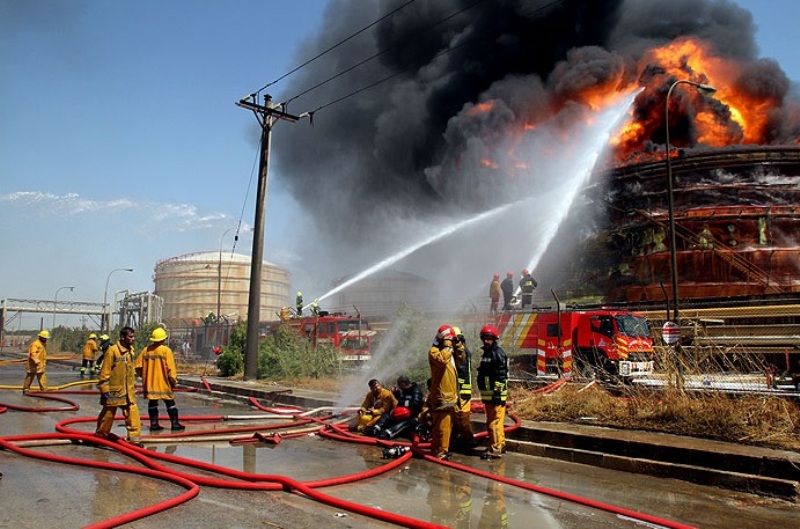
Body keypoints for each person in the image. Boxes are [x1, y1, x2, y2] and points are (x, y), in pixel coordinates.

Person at [95, 326, 142, 446]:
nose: (133, 339)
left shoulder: (130, 351)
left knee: (133, 415)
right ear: (122, 337)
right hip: (114, 392)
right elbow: (105, 372)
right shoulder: (113, 351)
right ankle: (100, 438)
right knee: (108, 416)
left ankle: (134, 440)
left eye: (133, 336)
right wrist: (104, 389)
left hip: (128, 392)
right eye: (130, 336)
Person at [135, 327, 185, 432]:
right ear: (163, 339)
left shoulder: (146, 350)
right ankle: (175, 424)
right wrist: (174, 381)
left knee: (152, 404)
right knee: (170, 404)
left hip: (150, 385)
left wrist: (145, 376)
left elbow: (138, 367)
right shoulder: (166, 350)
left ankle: (154, 424)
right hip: (163, 384)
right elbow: (171, 368)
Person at [477, 324, 508, 460]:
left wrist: (496, 394)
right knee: (496, 422)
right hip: (489, 396)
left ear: (494, 339)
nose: (486, 341)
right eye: (484, 338)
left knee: (493, 423)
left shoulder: (497, 353)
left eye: (489, 338)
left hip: (495, 396)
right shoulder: (488, 353)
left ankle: (495, 450)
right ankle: (500, 444)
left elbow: (501, 376)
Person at [428, 324, 459, 460]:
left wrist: (458, 346)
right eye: (450, 340)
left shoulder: (448, 352)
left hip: (449, 395)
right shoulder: (435, 352)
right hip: (442, 396)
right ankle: (440, 451)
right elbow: (442, 360)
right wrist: (447, 345)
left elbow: (462, 358)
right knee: (442, 427)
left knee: (446, 426)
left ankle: (440, 450)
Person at [375, 375, 425, 440]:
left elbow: (416, 404)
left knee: (407, 421)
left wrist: (403, 403)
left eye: (399, 385)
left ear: (403, 383)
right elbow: (400, 400)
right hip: (402, 414)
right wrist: (396, 394)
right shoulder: (404, 390)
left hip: (413, 416)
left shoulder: (416, 390)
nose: (399, 387)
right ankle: (376, 428)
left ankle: (388, 433)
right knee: (386, 415)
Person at [452, 326, 475, 451]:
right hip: (455, 392)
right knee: (455, 419)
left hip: (463, 392)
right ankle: (457, 441)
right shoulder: (454, 353)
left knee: (463, 420)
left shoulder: (463, 353)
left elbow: (460, 368)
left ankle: (469, 442)